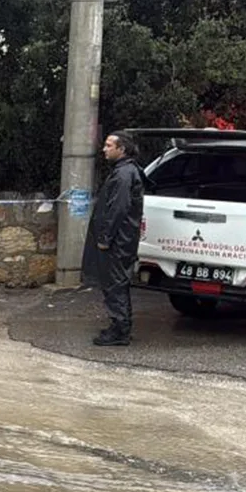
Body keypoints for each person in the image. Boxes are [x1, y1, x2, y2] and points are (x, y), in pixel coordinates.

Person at [82, 131, 148, 346]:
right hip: (121, 239)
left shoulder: (123, 174)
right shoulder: (125, 171)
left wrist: (105, 237)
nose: (104, 149)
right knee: (115, 283)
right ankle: (119, 326)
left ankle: (120, 330)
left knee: (115, 284)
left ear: (122, 149)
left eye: (109, 145)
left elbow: (118, 209)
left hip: (118, 241)